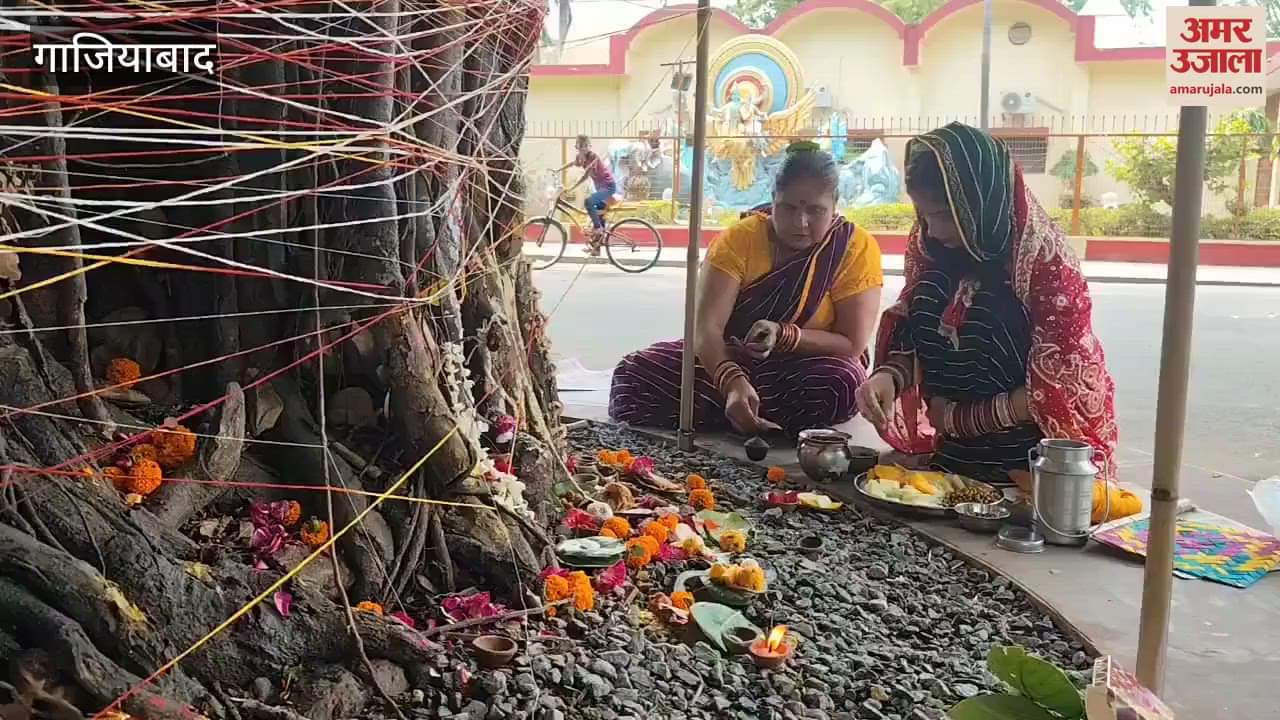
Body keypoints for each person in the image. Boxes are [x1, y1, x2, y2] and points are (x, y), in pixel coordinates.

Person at [855, 122, 1118, 485]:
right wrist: (889, 377)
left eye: (945, 215)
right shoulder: (932, 252)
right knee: (930, 291)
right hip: (954, 454)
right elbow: (919, 336)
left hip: (1032, 458)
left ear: (982, 203)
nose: (932, 231)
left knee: (990, 306)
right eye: (924, 215)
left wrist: (964, 419)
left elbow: (1059, 385)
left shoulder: (1043, 262)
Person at [609, 142, 883, 436]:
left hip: (807, 367)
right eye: (788, 208)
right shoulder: (739, 240)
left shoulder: (852, 248)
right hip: (729, 357)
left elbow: (851, 344)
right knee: (632, 376)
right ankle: (749, 410)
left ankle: (732, 410)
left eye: (816, 210)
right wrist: (732, 381)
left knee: (841, 385)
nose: (800, 223)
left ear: (835, 206)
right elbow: (706, 331)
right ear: (773, 201)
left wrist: (784, 334)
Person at [561, 135, 617, 251]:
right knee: (598, 213)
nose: (584, 148)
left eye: (586, 145)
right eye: (581, 146)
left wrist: (571, 188)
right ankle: (596, 247)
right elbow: (572, 163)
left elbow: (585, 176)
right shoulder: (580, 157)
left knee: (588, 202)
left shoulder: (593, 157)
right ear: (577, 146)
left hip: (608, 187)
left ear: (589, 146)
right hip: (600, 189)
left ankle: (597, 228)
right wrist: (558, 170)